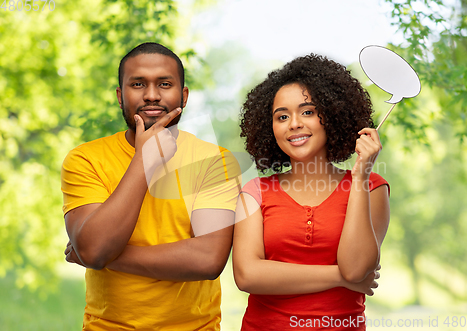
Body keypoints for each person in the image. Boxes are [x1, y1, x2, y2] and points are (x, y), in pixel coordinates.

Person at [61, 42, 240, 330]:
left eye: (164, 84)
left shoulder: (214, 160)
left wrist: (110, 257)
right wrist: (145, 162)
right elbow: (94, 251)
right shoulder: (85, 159)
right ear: (120, 96)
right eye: (138, 84)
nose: (152, 95)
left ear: (183, 95)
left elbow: (208, 259)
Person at [233, 54, 390, 330]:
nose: (294, 124)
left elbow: (355, 268)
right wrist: (338, 278)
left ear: (331, 115)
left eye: (307, 111)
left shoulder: (371, 187)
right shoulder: (255, 192)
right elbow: (247, 275)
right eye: (282, 116)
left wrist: (360, 175)